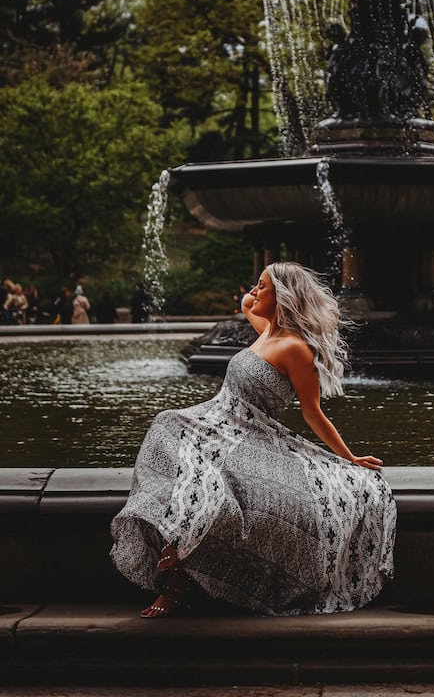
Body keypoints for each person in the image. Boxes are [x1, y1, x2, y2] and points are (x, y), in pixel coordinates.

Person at [111, 262, 396, 619]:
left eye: (263, 287)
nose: (254, 291)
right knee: (167, 426)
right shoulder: (266, 331)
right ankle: (176, 559)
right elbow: (248, 304)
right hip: (214, 423)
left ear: (284, 296)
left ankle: (175, 581)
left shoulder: (296, 349)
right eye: (257, 285)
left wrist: (350, 458)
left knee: (205, 484)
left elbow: (313, 413)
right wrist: (264, 286)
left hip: (250, 437)